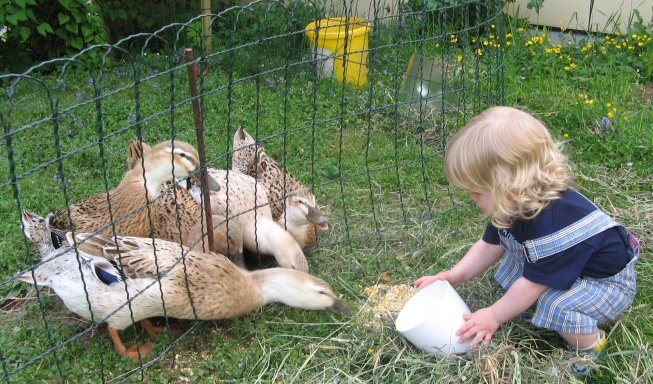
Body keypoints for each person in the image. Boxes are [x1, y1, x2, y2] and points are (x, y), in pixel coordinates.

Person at [415, 106, 639, 377]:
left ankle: (590, 347)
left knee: (554, 303)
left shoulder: (554, 225)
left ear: (509, 184)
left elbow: (533, 284)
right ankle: (541, 313)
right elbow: (489, 245)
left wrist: (494, 316)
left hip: (605, 286)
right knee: (517, 269)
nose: (472, 198)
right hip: (573, 273)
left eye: (476, 191)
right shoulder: (514, 202)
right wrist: (456, 274)